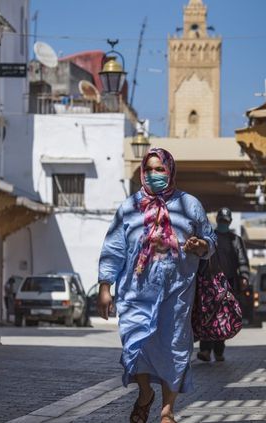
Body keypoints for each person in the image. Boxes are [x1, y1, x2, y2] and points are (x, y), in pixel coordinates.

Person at [96, 148, 216, 423]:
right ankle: (145, 393)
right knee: (134, 344)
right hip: (135, 292)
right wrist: (105, 287)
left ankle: (167, 411)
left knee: (172, 347)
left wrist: (202, 245)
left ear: (171, 171)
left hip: (177, 292)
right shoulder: (129, 207)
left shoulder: (190, 205)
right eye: (149, 169)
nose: (154, 175)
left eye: (160, 169)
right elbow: (114, 248)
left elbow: (210, 240)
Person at [197, 207, 250, 362]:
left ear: (230, 222)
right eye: (221, 220)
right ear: (217, 220)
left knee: (223, 317)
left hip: (229, 284)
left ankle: (219, 351)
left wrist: (244, 276)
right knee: (207, 317)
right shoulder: (209, 238)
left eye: (226, 221)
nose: (223, 223)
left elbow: (242, 260)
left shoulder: (236, 240)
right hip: (210, 284)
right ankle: (205, 350)